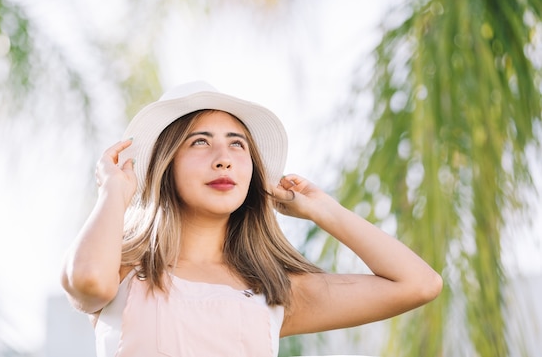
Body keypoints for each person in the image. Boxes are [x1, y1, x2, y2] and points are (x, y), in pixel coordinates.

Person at [61, 81, 442, 357]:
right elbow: (88, 282)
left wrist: (322, 209)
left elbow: (419, 284)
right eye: (200, 142)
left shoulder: (273, 291)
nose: (223, 157)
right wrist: (114, 191)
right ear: (166, 164)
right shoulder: (123, 271)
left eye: (237, 144)